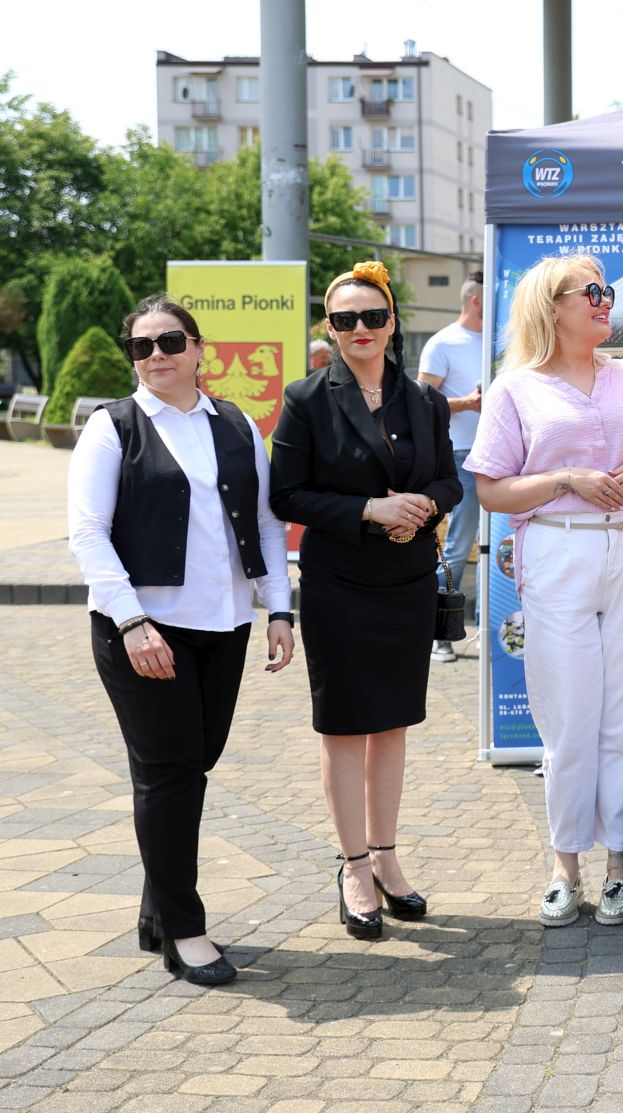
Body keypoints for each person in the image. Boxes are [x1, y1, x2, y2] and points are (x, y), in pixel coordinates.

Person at [67, 294, 295, 986]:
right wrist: (132, 621)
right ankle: (185, 931)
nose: (156, 354)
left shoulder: (236, 423)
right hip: (143, 630)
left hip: (224, 625)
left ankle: (156, 911)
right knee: (168, 773)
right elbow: (87, 533)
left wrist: (279, 609)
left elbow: (265, 523)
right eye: (142, 346)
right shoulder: (113, 427)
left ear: (199, 349)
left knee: (195, 765)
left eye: (170, 341)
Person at [466, 253, 623, 929]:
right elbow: (491, 489)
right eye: (591, 290)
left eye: (606, 289)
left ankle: (618, 864)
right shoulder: (514, 388)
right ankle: (565, 866)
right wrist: (566, 479)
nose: (604, 299)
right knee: (568, 714)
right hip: (559, 549)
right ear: (550, 307)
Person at [270, 261, 460, 941]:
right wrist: (369, 509)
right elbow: (285, 494)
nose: (361, 329)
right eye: (346, 319)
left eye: (373, 316)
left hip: (407, 582)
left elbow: (450, 480)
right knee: (347, 726)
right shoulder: (306, 398)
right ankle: (353, 865)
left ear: (392, 322)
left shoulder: (425, 401)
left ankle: (386, 856)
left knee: (393, 725)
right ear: (329, 327)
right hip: (340, 584)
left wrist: (423, 505)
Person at [418, 275, 487, 662]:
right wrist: (469, 402)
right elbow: (422, 402)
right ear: (476, 300)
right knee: (461, 543)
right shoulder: (443, 342)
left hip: (507, 455)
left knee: (504, 545)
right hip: (462, 453)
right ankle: (438, 634)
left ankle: (492, 632)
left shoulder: (502, 340)